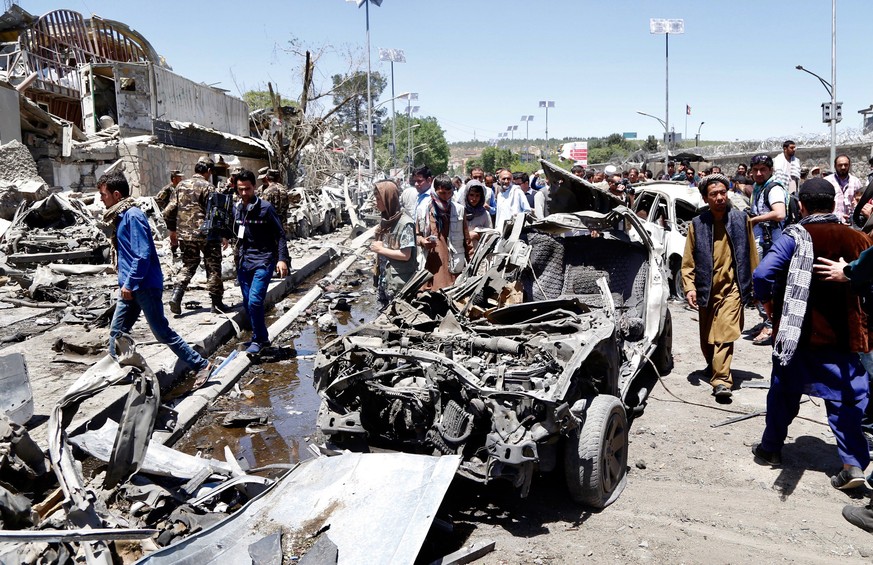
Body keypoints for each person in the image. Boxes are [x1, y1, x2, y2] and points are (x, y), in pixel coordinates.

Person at [751, 178, 872, 492]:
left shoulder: (794, 237)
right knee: (847, 400)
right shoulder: (858, 239)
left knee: (783, 391)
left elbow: (762, 274)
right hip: (846, 338)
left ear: (800, 206)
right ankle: (852, 465)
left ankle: (771, 449)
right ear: (833, 204)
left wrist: (767, 303)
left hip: (799, 337)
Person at [99, 173, 213, 387]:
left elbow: (141, 255)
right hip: (130, 286)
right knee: (117, 332)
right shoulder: (122, 217)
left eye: (103, 195)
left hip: (143, 285)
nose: (101, 199)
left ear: (116, 194)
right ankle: (117, 373)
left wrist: (130, 283)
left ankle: (200, 365)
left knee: (161, 331)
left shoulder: (132, 216)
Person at [681, 174, 758, 398]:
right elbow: (688, 261)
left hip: (733, 287)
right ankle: (712, 364)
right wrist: (690, 287)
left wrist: (756, 285)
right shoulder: (698, 224)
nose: (719, 197)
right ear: (706, 198)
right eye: (714, 194)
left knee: (724, 333)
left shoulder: (741, 219)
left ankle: (722, 380)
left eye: (723, 193)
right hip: (707, 288)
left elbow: (752, 255)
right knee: (707, 337)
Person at [232, 169, 290, 355]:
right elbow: (235, 232)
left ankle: (259, 339)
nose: (243, 193)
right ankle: (261, 337)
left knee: (255, 302)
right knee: (248, 302)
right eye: (240, 189)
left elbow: (280, 234)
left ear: (254, 187)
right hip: (244, 262)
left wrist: (282, 259)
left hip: (264, 260)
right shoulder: (237, 208)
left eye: (247, 189)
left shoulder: (266, 208)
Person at [163, 157, 227, 315]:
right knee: (213, 267)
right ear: (209, 172)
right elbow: (216, 214)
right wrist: (223, 234)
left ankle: (176, 297)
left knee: (188, 265)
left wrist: (172, 231)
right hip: (207, 235)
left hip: (186, 236)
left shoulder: (180, 186)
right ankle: (216, 304)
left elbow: (168, 212)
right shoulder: (209, 187)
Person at [748, 154, 787, 346]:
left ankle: (771, 324)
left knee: (765, 281)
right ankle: (767, 320)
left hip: (771, 242)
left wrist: (755, 219)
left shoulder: (774, 188)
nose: (758, 173)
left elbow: (780, 214)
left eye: (763, 169)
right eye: (755, 169)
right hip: (762, 241)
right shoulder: (758, 188)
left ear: (770, 170)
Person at [416, 175, 472, 291]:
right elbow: (416, 236)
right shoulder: (423, 210)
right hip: (431, 263)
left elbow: (467, 240)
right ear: (434, 191)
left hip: (453, 263)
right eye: (442, 193)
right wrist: (423, 241)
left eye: (449, 193)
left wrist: (472, 262)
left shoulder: (459, 210)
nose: (446, 197)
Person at [369, 180, 416, 305]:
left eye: (378, 199)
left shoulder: (405, 223)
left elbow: (406, 255)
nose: (375, 202)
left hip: (399, 283)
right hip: (385, 280)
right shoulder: (387, 220)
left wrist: (380, 249)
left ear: (388, 199)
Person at [825, 154, 864, 224]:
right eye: (840, 165)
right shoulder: (827, 181)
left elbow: (860, 202)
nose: (843, 167)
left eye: (846, 165)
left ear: (849, 165)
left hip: (851, 224)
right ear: (835, 166)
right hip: (832, 223)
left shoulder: (856, 182)